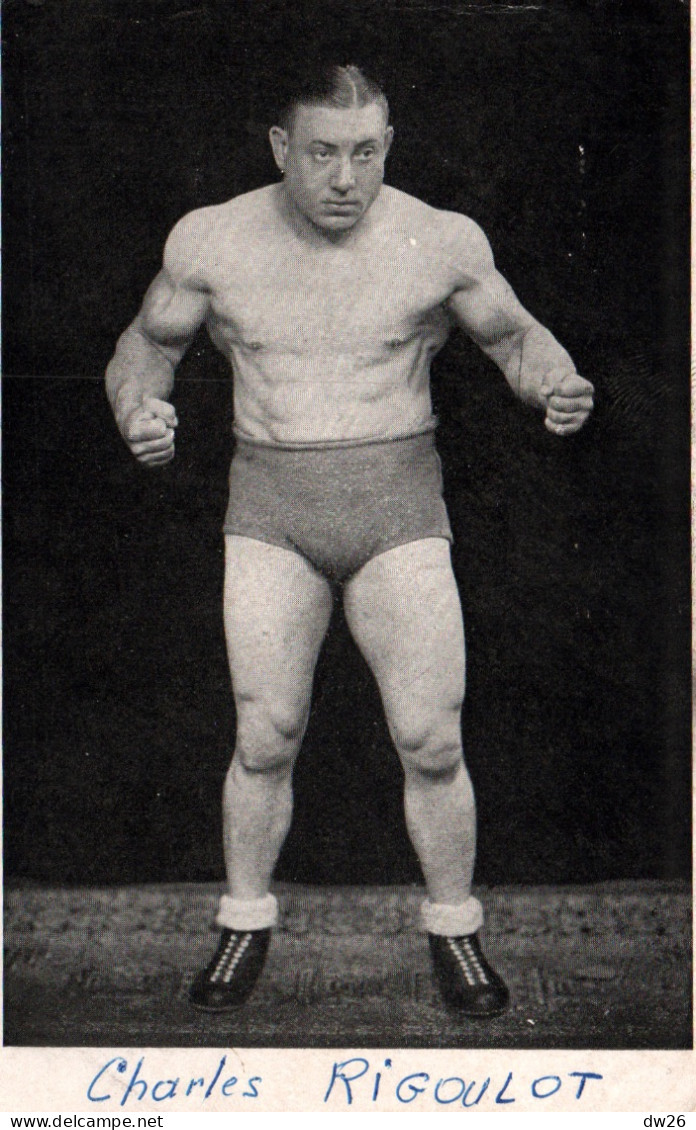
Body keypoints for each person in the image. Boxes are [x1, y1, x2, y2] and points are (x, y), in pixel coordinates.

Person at [105, 64, 594, 1018]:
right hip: (272, 508)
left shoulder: (438, 239)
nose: (345, 178)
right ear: (282, 147)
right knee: (266, 733)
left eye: (365, 152)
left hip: (398, 506)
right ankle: (243, 922)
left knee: (431, 737)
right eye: (323, 153)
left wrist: (555, 383)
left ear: (388, 144)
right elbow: (145, 346)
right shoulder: (214, 239)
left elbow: (516, 338)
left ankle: (456, 930)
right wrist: (137, 408)